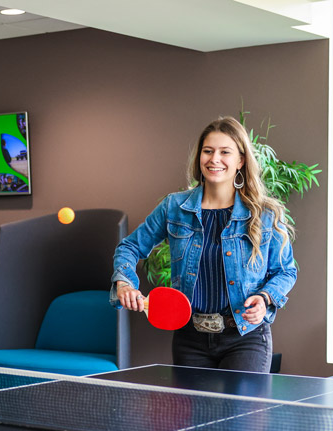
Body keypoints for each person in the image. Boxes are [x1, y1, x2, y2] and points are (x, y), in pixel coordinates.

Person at [111, 116, 297, 372]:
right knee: (198, 413)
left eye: (225, 152)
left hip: (245, 337)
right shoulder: (174, 207)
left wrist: (265, 298)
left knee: (241, 412)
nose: (214, 159)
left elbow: (285, 270)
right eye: (207, 151)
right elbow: (129, 247)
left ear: (240, 160)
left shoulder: (265, 213)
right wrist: (124, 283)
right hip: (190, 339)